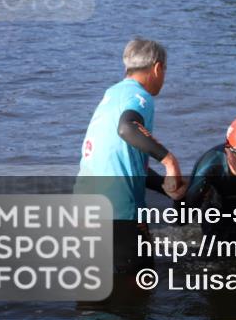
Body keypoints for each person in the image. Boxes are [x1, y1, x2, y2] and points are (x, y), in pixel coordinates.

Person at [75, 39, 186, 274]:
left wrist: (163, 187)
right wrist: (170, 162)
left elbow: (122, 159)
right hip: (118, 211)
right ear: (157, 68)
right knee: (139, 287)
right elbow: (127, 128)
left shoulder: (112, 95)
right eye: (165, 70)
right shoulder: (140, 97)